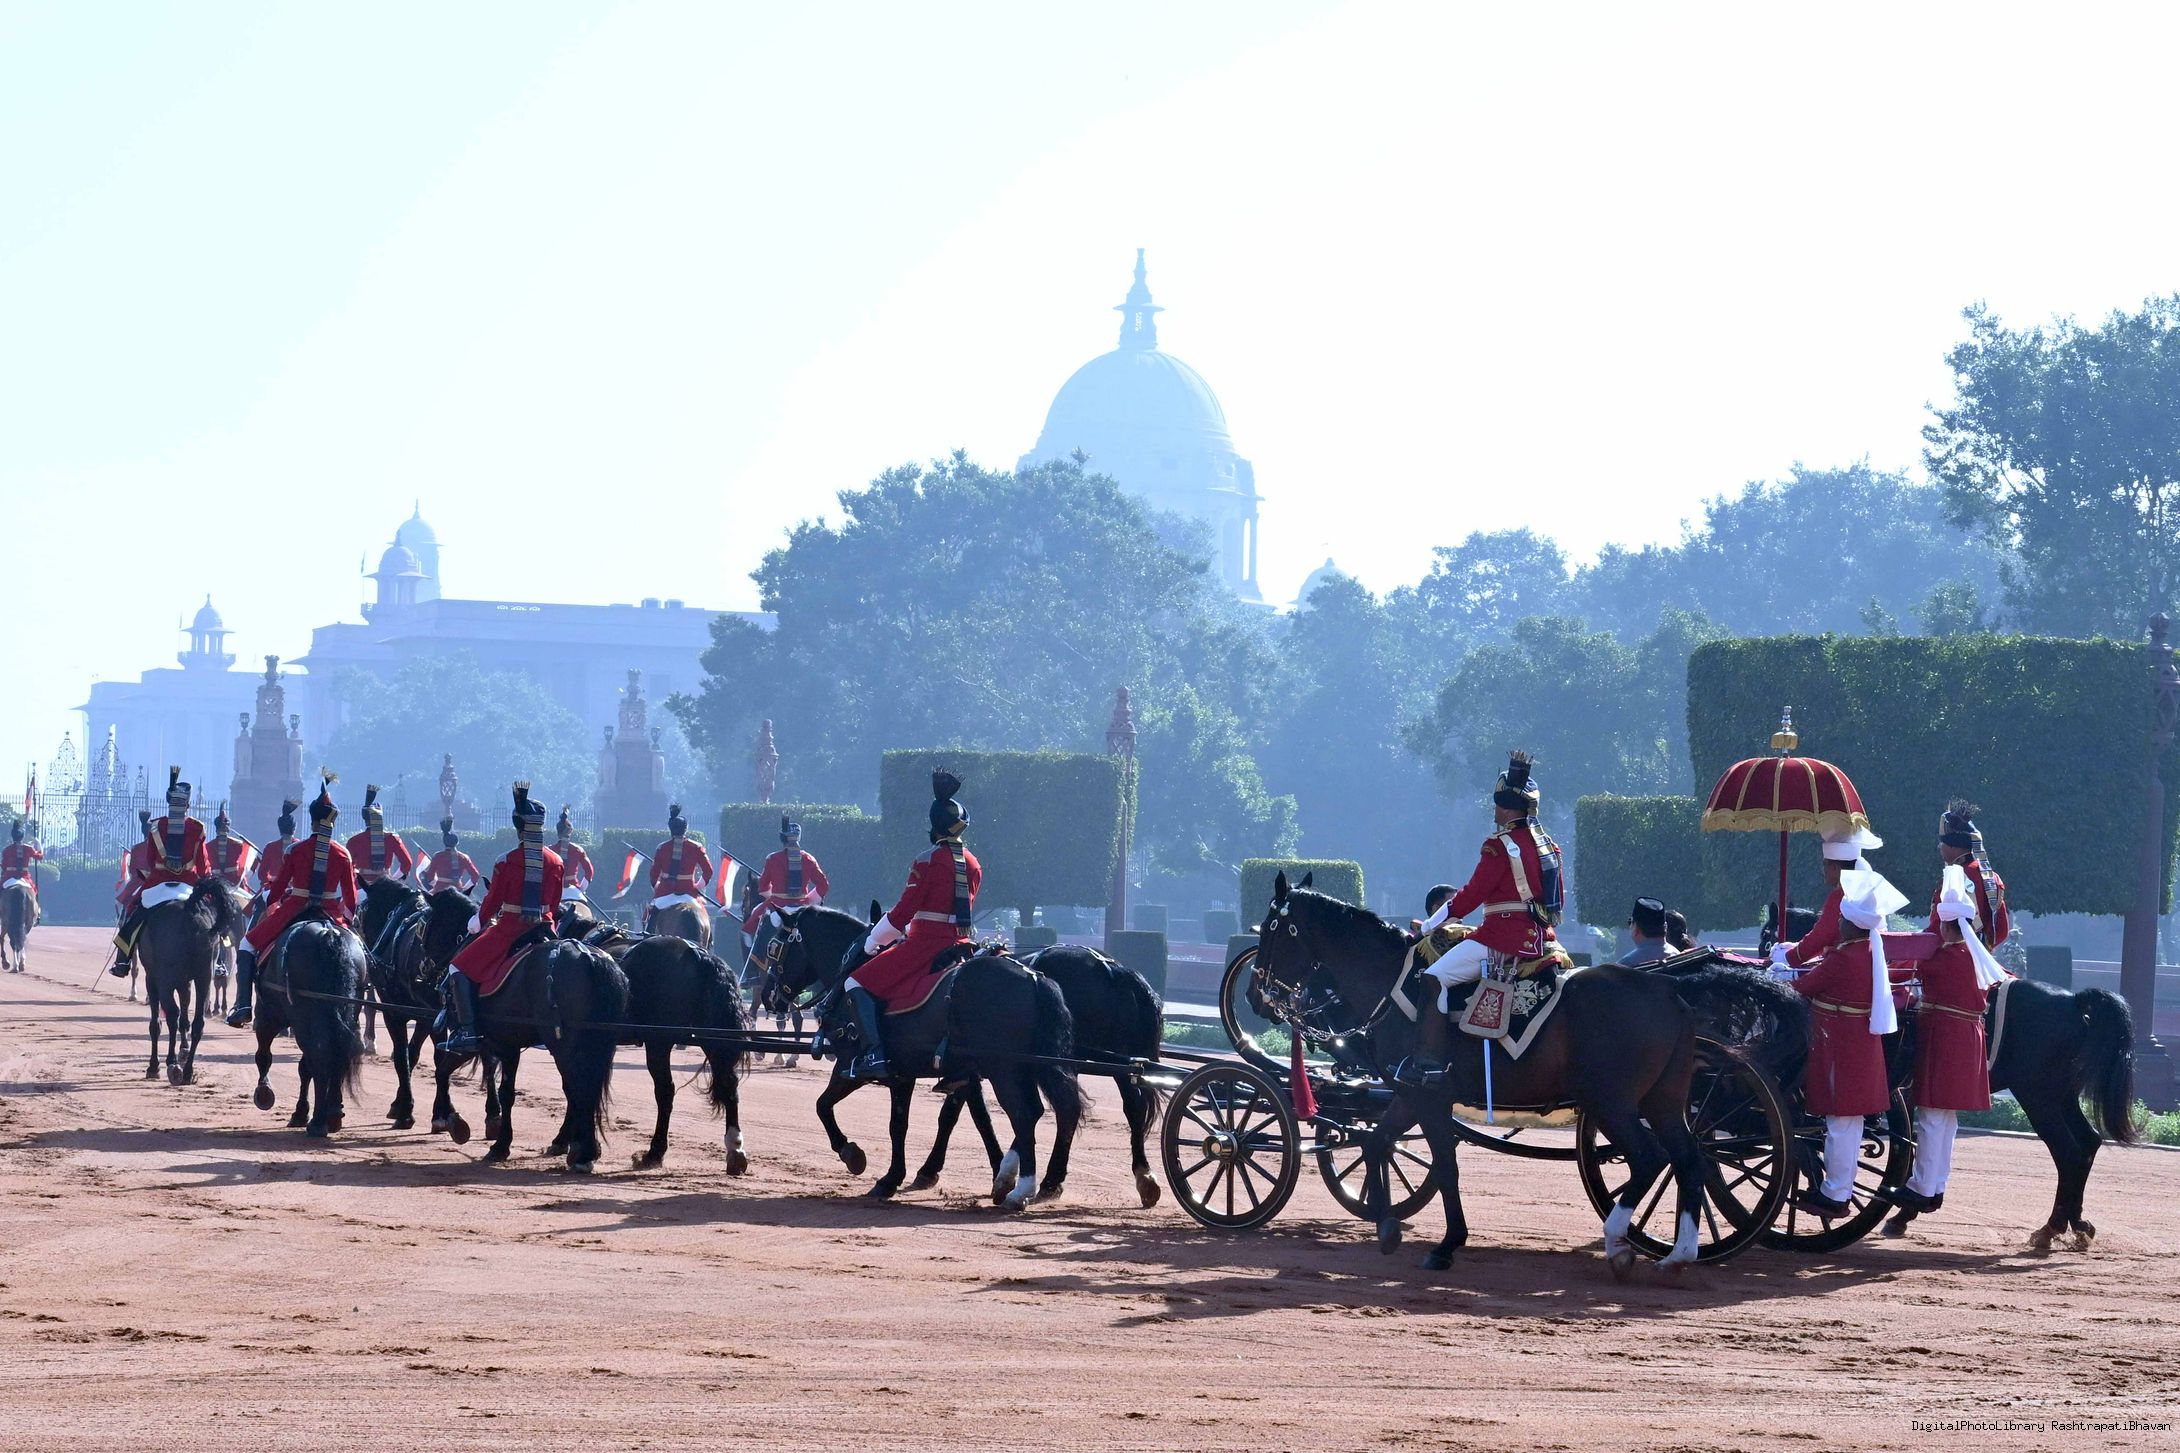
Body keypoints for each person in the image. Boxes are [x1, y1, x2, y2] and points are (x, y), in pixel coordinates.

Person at [1390, 752, 1564, 1084]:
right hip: (1541, 940)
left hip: (1501, 939)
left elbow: (1467, 898)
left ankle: (1429, 1063)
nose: (1495, 811)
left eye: (1498, 805)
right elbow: (1557, 903)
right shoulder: (1549, 847)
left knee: (1434, 978)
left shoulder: (1497, 846)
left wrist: (1427, 928)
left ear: (1508, 809)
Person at [840, 771, 981, 1081]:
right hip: (961, 946)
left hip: (925, 946)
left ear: (934, 828)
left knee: (854, 983)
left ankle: (874, 1053)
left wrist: (873, 941)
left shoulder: (927, 860)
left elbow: (903, 913)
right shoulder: (973, 863)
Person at [1893, 864, 2011, 1214]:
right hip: (1967, 1039)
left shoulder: (1942, 955)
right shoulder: (1976, 954)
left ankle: (1922, 1186)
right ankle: (1936, 1184)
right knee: (1945, 1118)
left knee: (1931, 1116)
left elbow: (1901, 970)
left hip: (1943, 1038)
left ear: (1944, 924)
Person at [1787, 865, 1904, 1217]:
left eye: (1841, 918)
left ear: (1851, 923)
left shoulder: (1843, 957)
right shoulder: (1869, 950)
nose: (1837, 922)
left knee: (1840, 1124)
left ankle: (1836, 1193)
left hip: (1839, 1045)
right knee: (1847, 1124)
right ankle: (1839, 1188)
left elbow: (1802, 988)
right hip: (1859, 1044)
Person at [442, 783, 563, 1056]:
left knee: (456, 968)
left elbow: (493, 901)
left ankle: (468, 1031)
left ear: (519, 830)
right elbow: (555, 904)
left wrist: (478, 920)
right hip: (546, 930)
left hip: (510, 929)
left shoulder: (506, 861)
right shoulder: (556, 861)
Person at [229, 774, 356, 1028]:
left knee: (247, 944)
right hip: (331, 914)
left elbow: (276, 891)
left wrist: (274, 903)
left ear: (312, 821)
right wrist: (347, 922)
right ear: (332, 822)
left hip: (294, 909)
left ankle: (243, 1005)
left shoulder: (296, 850)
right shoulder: (343, 853)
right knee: (359, 954)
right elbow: (351, 898)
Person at [111, 768, 210, 975]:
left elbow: (150, 860)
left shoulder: (156, 827)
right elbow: (203, 865)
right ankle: (217, 959)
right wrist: (206, 882)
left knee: (132, 911)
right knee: (212, 916)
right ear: (188, 805)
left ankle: (123, 960)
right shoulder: (197, 828)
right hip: (189, 884)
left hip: (157, 882)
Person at [1771, 826, 1883, 972]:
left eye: (1825, 865)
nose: (1823, 871)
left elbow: (1821, 936)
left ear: (1835, 868)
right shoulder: (1862, 889)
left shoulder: (1840, 896)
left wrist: (1787, 957)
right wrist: (1795, 947)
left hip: (1841, 965)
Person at [1926, 799, 2010, 948]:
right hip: (1982, 955)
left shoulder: (1954, 878)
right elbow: (2001, 930)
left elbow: (1939, 931)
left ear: (1953, 847)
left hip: (1951, 955)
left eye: (1942, 843)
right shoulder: (1992, 876)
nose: (1940, 848)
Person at [744, 814, 828, 952]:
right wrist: (809, 900)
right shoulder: (809, 859)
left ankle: (752, 958)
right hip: (803, 906)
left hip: (778, 907)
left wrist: (774, 897)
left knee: (755, 917)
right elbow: (823, 885)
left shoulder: (772, 859)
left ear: (782, 839)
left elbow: (763, 888)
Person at [646, 803, 713, 930]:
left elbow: (653, 875)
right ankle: (709, 941)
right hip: (689, 893)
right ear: (685, 829)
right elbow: (708, 871)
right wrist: (697, 886)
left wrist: (657, 887)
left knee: (650, 916)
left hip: (665, 892)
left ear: (671, 829)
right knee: (704, 918)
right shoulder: (696, 847)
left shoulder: (661, 848)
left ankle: (647, 935)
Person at [344, 784, 414, 889]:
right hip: (385, 887)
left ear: (365, 819)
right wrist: (393, 880)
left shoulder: (354, 841)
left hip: (360, 887)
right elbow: (407, 863)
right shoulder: (392, 838)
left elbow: (347, 867)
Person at [255, 798, 302, 901]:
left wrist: (271, 884)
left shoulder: (270, 847)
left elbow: (262, 874)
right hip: (296, 892)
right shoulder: (301, 846)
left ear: (280, 827)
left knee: (254, 907)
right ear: (294, 828)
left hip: (273, 890)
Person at [420, 817, 481, 895]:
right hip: (458, 892)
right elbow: (475, 875)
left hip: (439, 891)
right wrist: (465, 889)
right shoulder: (464, 857)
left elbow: (429, 877)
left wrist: (436, 885)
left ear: (444, 842)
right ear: (457, 842)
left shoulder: (437, 856)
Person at [208, 801, 257, 891]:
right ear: (229, 829)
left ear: (216, 829)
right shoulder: (239, 845)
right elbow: (254, 860)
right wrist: (244, 876)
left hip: (213, 885)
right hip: (236, 884)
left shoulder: (207, 846)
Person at [553, 805, 594, 907]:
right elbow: (589, 871)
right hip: (573, 889)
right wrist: (581, 889)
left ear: (558, 832)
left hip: (553, 890)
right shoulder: (578, 850)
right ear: (570, 832)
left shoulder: (549, 850)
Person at [1619, 896, 1670, 965]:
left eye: (1630, 922)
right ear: (1665, 927)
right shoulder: (1678, 955)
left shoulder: (1625, 964)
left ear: (1636, 928)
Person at [1, 818, 43, 900]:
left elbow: (4, 866)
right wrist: (39, 846)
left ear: (13, 836)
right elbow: (40, 857)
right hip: (24, 876)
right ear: (22, 836)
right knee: (34, 891)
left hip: (9, 876)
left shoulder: (6, 850)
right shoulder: (28, 848)